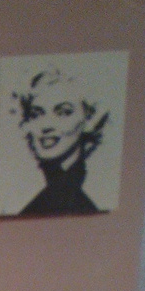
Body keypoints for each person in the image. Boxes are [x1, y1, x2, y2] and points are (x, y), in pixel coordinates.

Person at [13, 65, 109, 217]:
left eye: (63, 113)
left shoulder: (87, 204)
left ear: (88, 119)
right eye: (36, 114)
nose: (46, 126)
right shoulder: (17, 194)